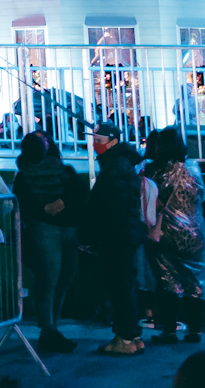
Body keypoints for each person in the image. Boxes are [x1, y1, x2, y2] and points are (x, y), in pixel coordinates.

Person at [10, 130, 83, 353]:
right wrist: (55, 205)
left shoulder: (35, 172)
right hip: (51, 228)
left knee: (61, 277)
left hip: (59, 227)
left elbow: (77, 190)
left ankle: (51, 328)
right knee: (51, 279)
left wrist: (57, 204)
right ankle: (49, 329)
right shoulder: (58, 170)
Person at [80, 120, 147, 356]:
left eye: (99, 141)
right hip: (125, 235)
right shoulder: (122, 163)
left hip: (116, 236)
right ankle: (132, 335)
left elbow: (108, 205)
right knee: (126, 285)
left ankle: (124, 338)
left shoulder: (115, 167)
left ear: (113, 142)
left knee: (120, 288)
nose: (95, 145)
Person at [142, 126, 205, 344]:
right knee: (195, 284)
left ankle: (169, 331)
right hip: (195, 234)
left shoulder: (155, 171)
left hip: (165, 235)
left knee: (167, 283)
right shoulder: (193, 168)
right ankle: (195, 331)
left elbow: (150, 201)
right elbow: (201, 195)